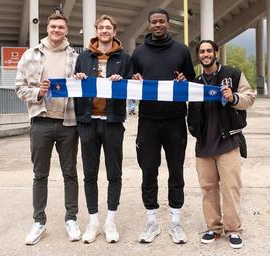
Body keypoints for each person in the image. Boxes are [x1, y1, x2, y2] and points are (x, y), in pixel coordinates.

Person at [15, 12, 80, 245]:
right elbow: (19, 88)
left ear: (66, 30)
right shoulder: (30, 55)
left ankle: (71, 219)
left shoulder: (75, 56)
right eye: (53, 26)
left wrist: (81, 78)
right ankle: (39, 221)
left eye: (61, 27)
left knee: (70, 174)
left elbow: (84, 84)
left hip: (68, 123)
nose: (57, 30)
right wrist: (38, 93)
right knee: (40, 175)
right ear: (47, 28)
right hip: (41, 121)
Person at [132, 8, 195, 244]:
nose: (157, 25)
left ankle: (176, 222)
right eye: (153, 22)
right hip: (147, 121)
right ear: (149, 25)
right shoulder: (138, 53)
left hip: (175, 120)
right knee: (149, 171)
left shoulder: (181, 50)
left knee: (176, 171)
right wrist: (135, 79)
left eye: (161, 21)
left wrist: (184, 80)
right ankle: (151, 222)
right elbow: (130, 83)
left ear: (168, 24)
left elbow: (190, 80)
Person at [187, 40, 255, 249]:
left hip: (228, 142)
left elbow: (250, 97)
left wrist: (233, 97)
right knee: (208, 188)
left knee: (230, 188)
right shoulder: (196, 82)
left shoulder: (232, 74)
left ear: (216, 53)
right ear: (198, 56)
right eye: (202, 52)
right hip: (204, 145)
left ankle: (233, 229)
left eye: (209, 51)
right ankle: (213, 228)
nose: (206, 54)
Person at [74, 15, 132, 244]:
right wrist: (78, 78)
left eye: (109, 27)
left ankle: (110, 221)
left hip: (113, 121)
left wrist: (123, 80)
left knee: (114, 173)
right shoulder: (83, 57)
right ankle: (93, 221)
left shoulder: (125, 58)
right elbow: (75, 84)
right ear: (96, 30)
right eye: (101, 27)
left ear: (114, 31)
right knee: (89, 173)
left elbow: (132, 85)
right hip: (88, 121)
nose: (105, 31)